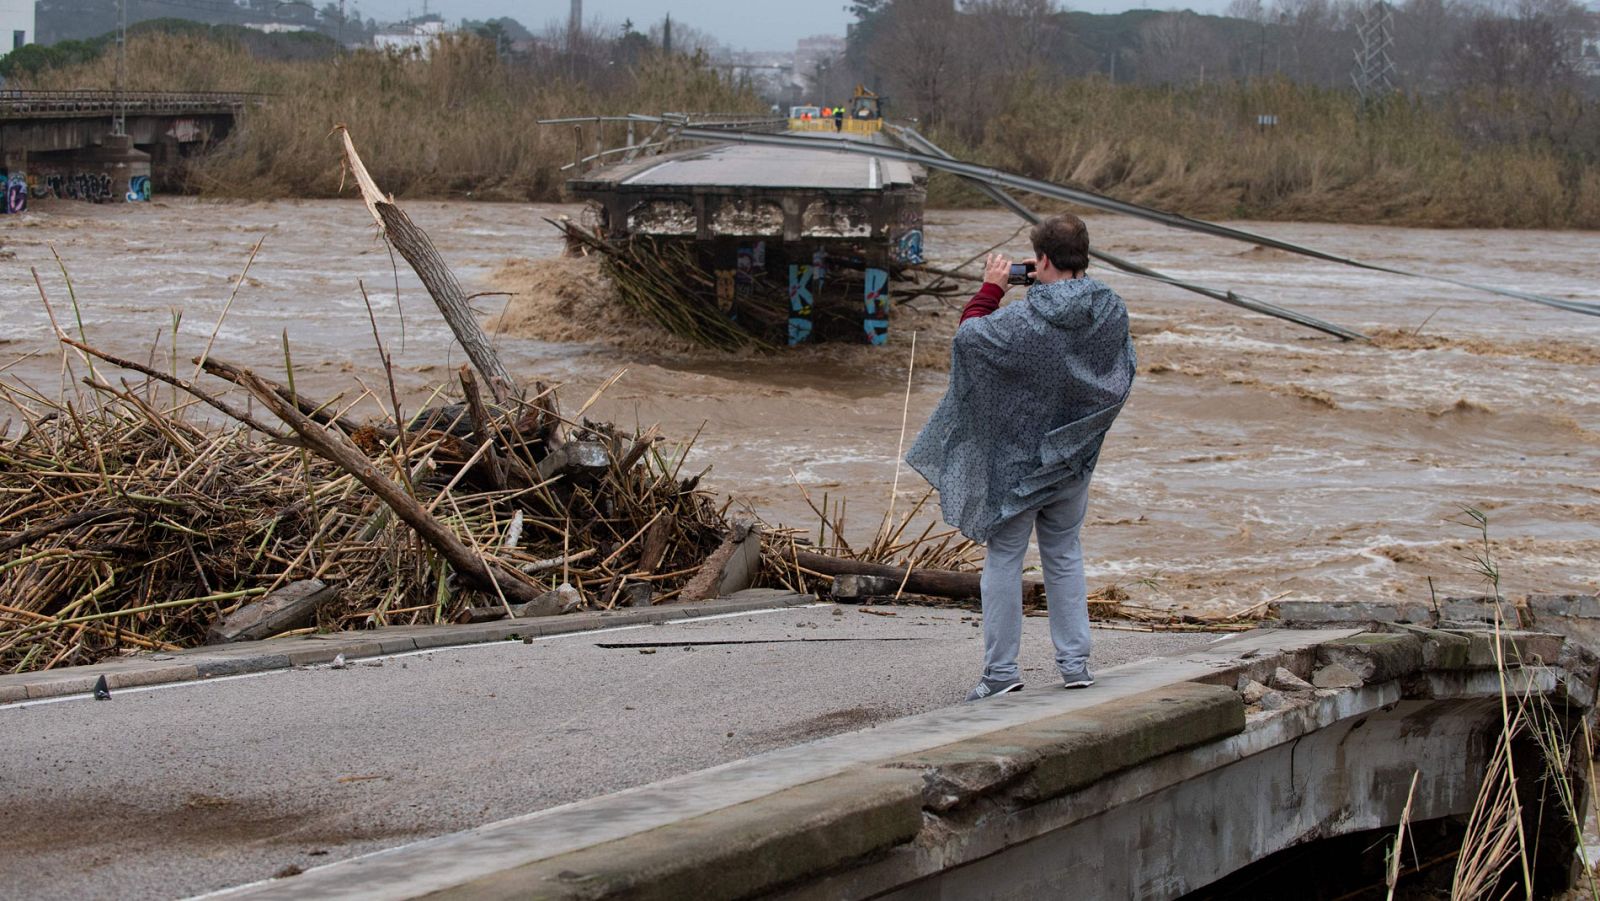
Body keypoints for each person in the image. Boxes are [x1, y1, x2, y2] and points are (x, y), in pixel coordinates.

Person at [906, 214, 1136, 701]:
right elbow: (1121, 368)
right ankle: (1076, 666)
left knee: (1005, 560)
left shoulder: (1021, 323)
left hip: (1015, 466)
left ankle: (1000, 674)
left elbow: (968, 341)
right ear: (1085, 258)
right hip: (1071, 459)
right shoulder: (1111, 310)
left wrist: (991, 289)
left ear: (1042, 259)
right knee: (1065, 555)